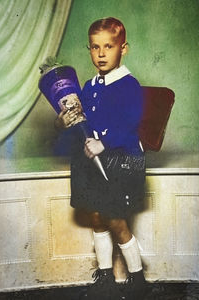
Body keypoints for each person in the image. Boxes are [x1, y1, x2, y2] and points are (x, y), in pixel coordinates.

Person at [55, 17, 146, 300]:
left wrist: (103, 142)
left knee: (117, 221)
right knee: (96, 217)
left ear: (124, 48)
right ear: (89, 50)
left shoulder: (129, 85)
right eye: (95, 47)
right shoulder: (89, 84)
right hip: (93, 164)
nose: (102, 53)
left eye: (109, 46)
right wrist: (66, 120)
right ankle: (105, 277)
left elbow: (130, 124)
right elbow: (82, 121)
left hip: (121, 163)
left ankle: (138, 280)